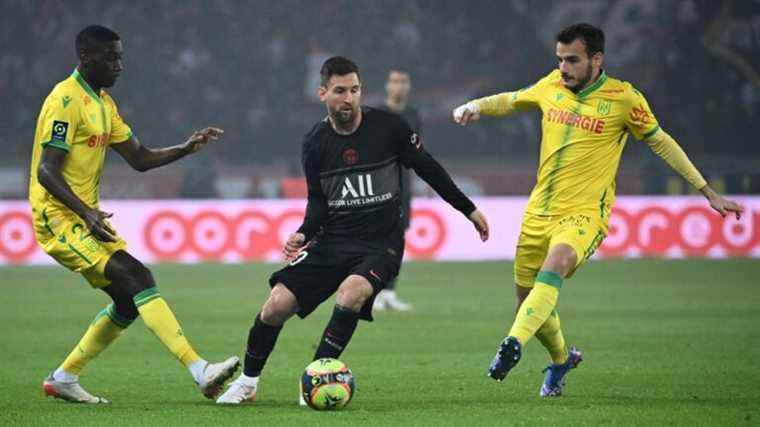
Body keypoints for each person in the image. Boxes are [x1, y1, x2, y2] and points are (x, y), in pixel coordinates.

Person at [453, 23, 743, 397]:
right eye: (559, 59)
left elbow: (662, 143)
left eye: (572, 60)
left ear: (596, 59)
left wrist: (708, 191)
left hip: (585, 215)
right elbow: (512, 99)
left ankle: (511, 344)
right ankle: (561, 360)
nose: (563, 68)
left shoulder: (624, 99)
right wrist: (475, 106)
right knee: (529, 303)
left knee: (555, 265)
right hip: (538, 211)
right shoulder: (551, 86)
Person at [217, 56, 489, 404]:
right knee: (275, 305)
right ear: (323, 94)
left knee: (351, 293)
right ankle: (248, 383)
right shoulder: (315, 142)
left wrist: (469, 209)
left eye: (355, 90)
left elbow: (429, 169)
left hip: (381, 244)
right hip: (333, 241)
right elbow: (318, 201)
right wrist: (303, 232)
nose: (349, 98)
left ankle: (317, 377)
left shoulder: (390, 127)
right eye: (340, 91)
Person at [30, 25, 239, 403]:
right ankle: (200, 371)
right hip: (58, 219)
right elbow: (47, 171)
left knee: (128, 299)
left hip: (84, 218)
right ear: (86, 58)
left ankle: (63, 377)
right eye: (111, 57)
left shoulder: (104, 104)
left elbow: (140, 159)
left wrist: (185, 148)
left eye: (120, 56)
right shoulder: (64, 100)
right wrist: (85, 211)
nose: (119, 64)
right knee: (137, 276)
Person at [375, 68, 423, 311]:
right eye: (394, 81)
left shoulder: (413, 114)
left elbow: (417, 151)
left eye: (403, 81)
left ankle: (389, 293)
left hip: (403, 187)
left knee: (397, 240)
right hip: (379, 186)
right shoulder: (376, 114)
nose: (399, 86)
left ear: (409, 86)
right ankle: (372, 292)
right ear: (387, 86)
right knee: (376, 240)